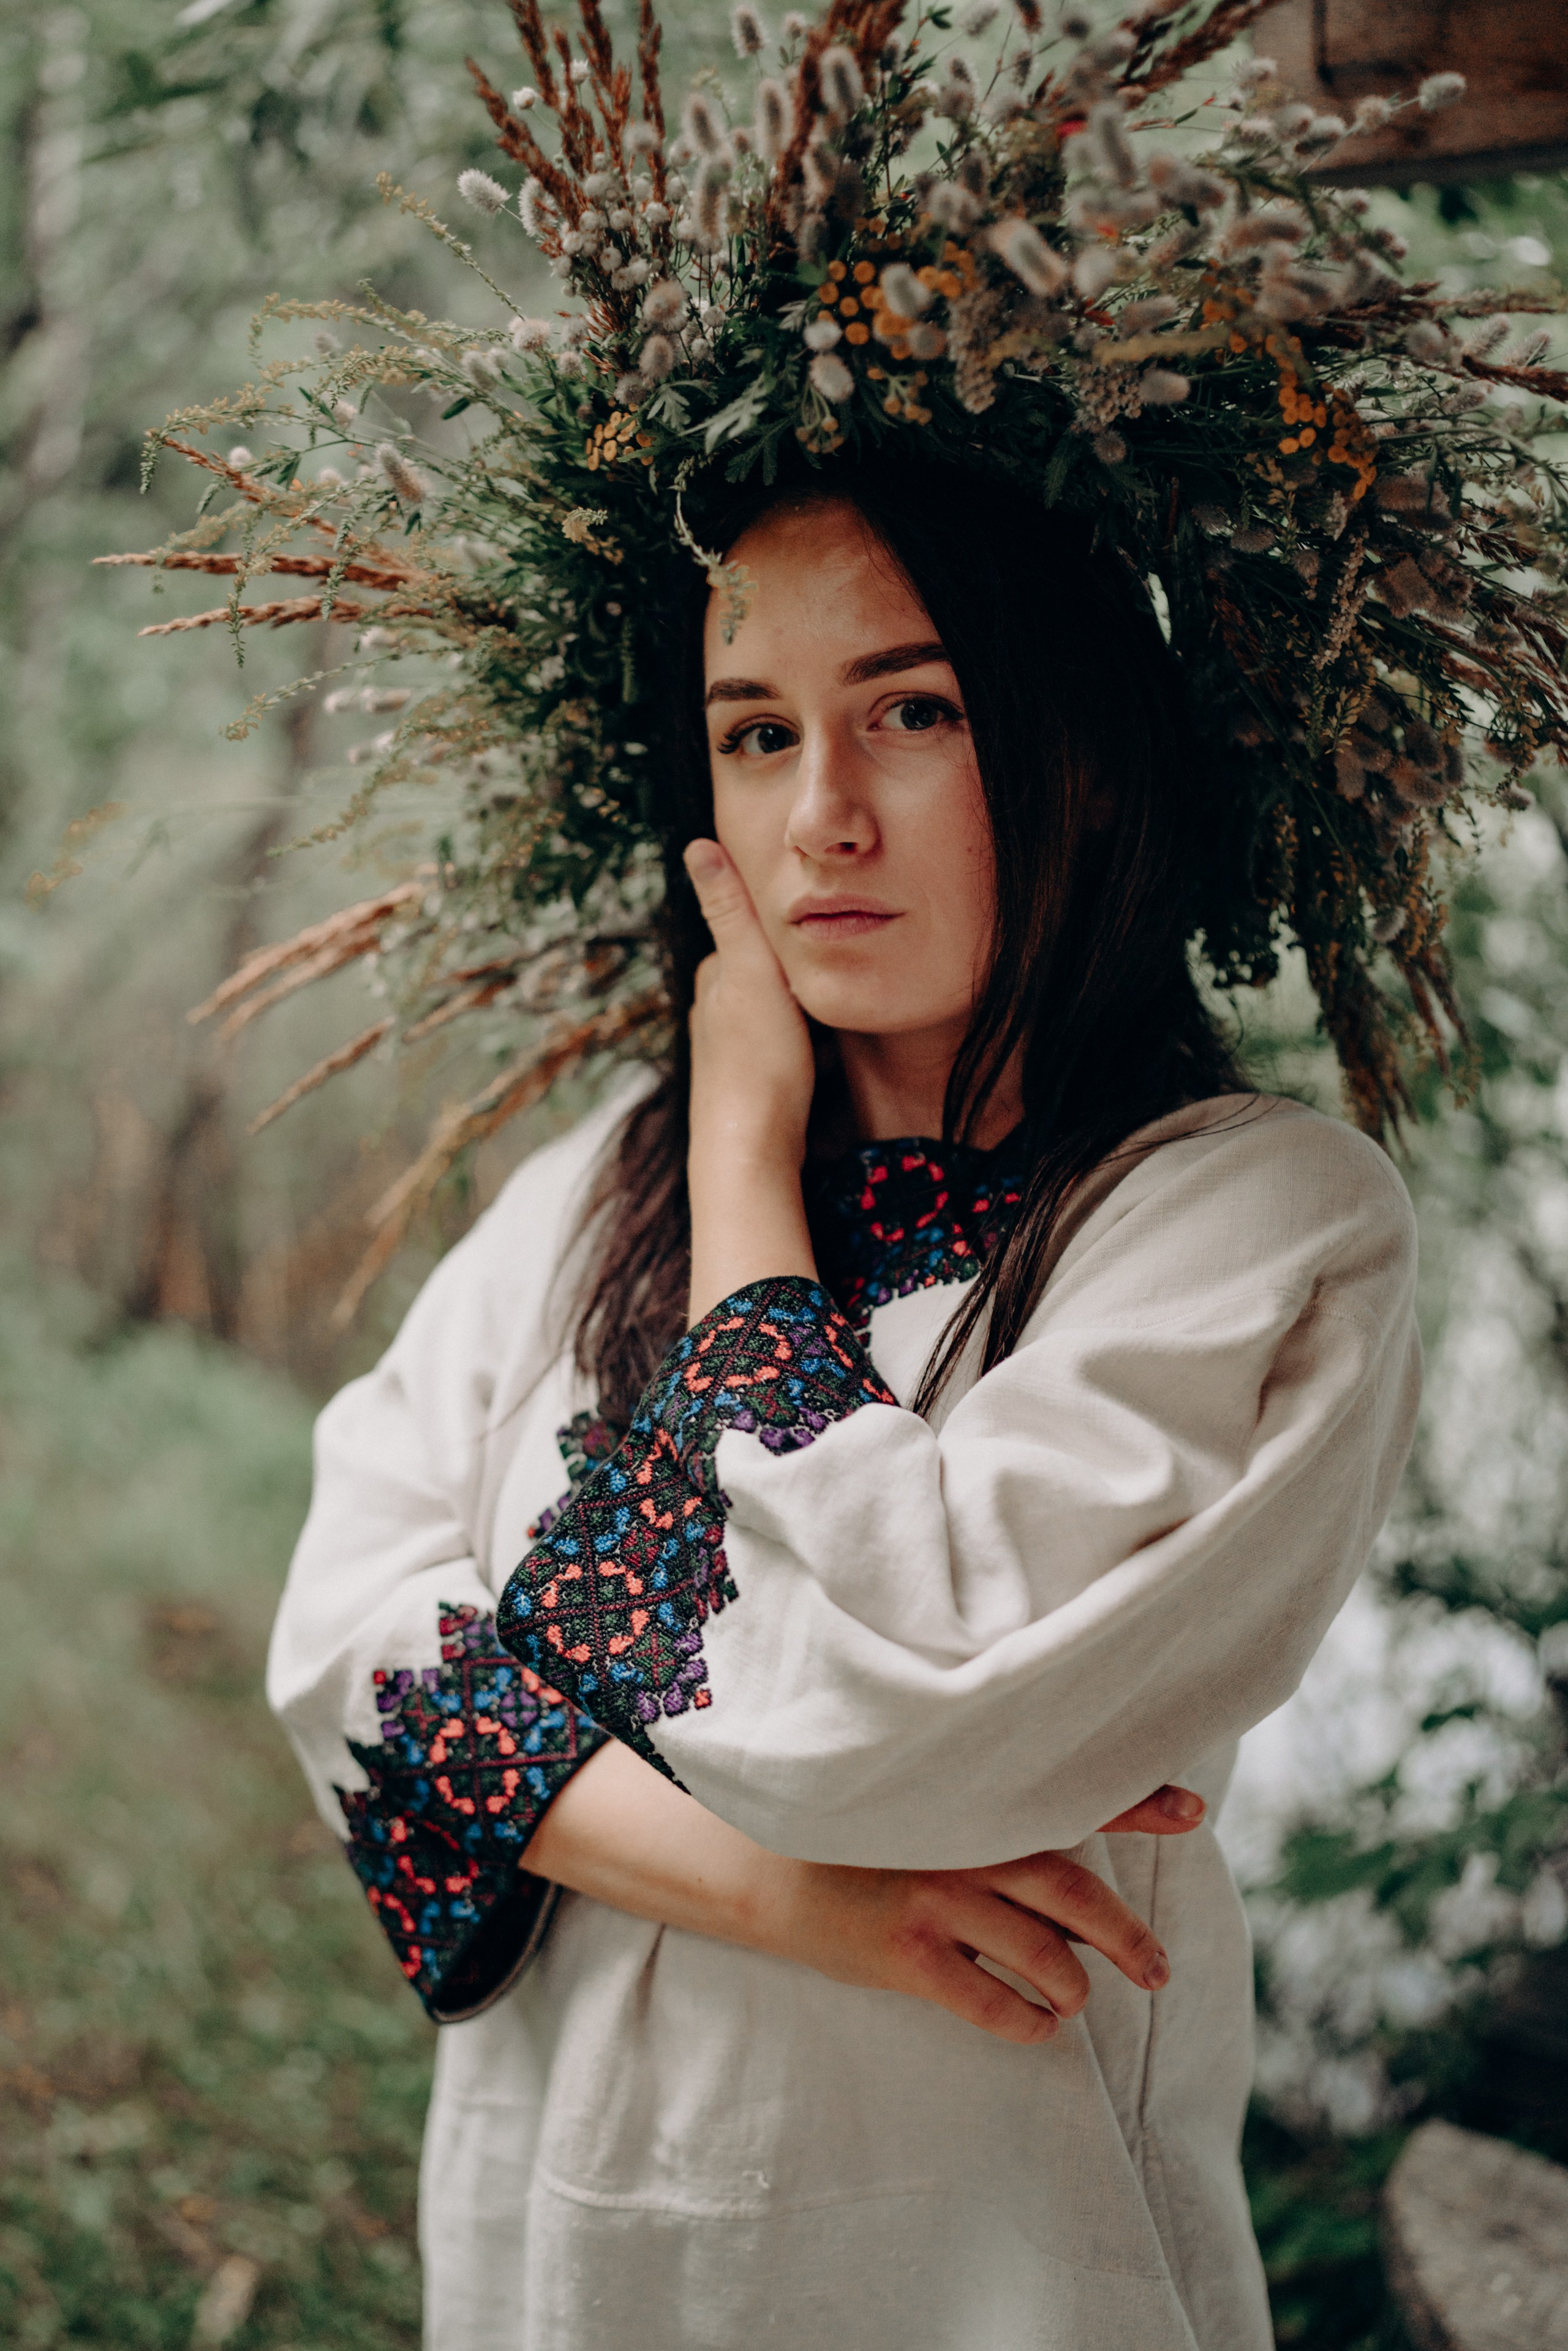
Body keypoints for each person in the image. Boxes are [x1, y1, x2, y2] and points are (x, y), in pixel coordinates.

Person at [270, 461, 1420, 2350]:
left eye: (916, 710)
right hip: (559, 2231)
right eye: (755, 732)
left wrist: (742, 1178)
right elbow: (340, 1641)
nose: (824, 819)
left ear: (1088, 751)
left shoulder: (1248, 1222)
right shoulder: (585, 1194)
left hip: (995, 2252)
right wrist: (798, 1899)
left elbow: (907, 1708)